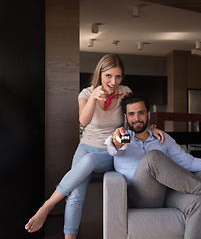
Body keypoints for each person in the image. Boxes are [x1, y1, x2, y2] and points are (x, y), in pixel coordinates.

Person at [25, 54, 165, 238]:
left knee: (90, 160)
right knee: (75, 195)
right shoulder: (85, 93)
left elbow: (134, 117)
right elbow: (83, 121)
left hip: (112, 149)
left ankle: (48, 205)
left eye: (118, 76)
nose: (113, 81)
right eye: (108, 76)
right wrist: (92, 98)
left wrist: (151, 127)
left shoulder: (125, 92)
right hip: (85, 147)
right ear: (100, 74)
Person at [105, 93, 201, 239]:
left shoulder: (162, 138)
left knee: (200, 203)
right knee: (153, 157)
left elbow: (188, 162)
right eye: (131, 114)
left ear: (148, 115)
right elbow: (112, 147)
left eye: (141, 113)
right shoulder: (121, 137)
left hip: (167, 192)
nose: (136, 118)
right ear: (125, 117)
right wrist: (117, 143)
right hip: (141, 196)